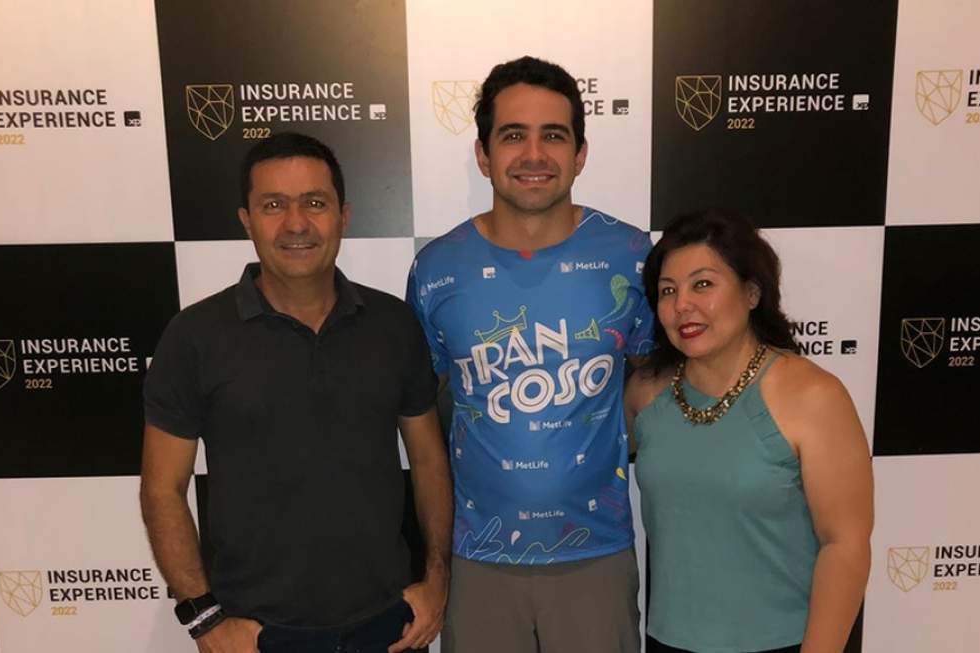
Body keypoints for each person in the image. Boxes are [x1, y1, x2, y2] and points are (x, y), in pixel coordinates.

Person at [140, 132, 452, 653]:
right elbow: (162, 489)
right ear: (246, 220)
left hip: (389, 627)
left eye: (314, 202)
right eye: (273, 205)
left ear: (343, 216)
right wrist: (205, 620)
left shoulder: (393, 324)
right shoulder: (194, 336)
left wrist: (438, 578)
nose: (296, 223)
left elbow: (428, 460)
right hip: (256, 636)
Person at [406, 56, 654, 653]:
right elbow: (422, 414)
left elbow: (656, 381)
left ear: (581, 153)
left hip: (596, 552)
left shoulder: (632, 255)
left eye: (554, 135)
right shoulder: (436, 268)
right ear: (484, 154)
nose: (534, 154)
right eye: (514, 135)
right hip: (477, 559)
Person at [625, 209, 873, 653]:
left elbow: (845, 545)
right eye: (668, 290)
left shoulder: (814, 396)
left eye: (703, 284)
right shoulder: (645, 394)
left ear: (752, 292)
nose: (682, 305)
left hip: (785, 644)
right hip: (668, 642)